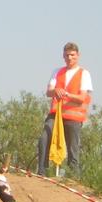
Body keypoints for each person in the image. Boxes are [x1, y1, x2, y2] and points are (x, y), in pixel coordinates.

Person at [36, 41, 93, 177]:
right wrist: (55, 91)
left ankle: (73, 176)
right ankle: (41, 171)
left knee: (72, 147)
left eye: (72, 55)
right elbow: (49, 92)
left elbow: (82, 97)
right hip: (56, 114)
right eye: (67, 55)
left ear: (78, 55)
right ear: (63, 56)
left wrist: (67, 94)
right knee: (44, 138)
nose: (69, 58)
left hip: (74, 117)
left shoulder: (84, 74)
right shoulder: (57, 72)